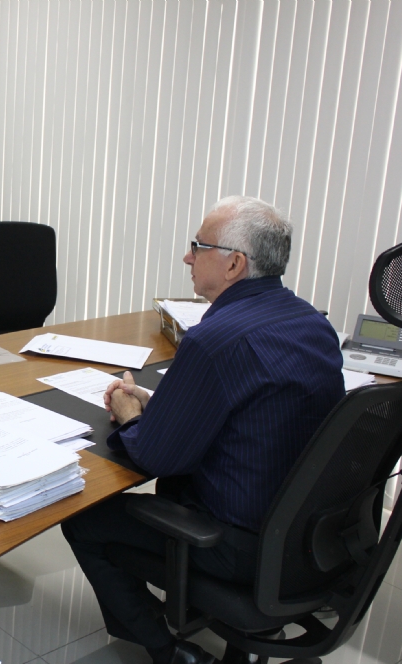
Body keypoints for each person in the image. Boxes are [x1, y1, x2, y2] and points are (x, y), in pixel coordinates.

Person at [61, 196, 345, 664]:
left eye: (198, 246)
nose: (187, 257)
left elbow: (155, 457)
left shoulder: (215, 340)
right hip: (306, 537)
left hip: (238, 545)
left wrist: (130, 412)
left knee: (83, 520)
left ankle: (168, 650)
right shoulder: (311, 322)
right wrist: (161, 403)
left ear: (234, 264)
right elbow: (255, 408)